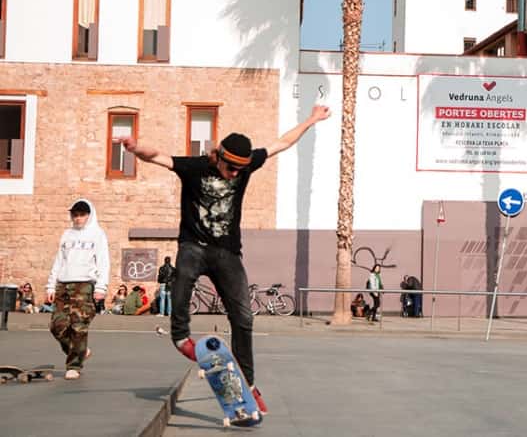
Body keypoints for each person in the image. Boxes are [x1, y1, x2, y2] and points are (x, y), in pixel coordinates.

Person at [119, 104, 330, 415]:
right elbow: (158, 156)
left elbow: (281, 143)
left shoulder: (245, 165)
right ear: (218, 156)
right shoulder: (194, 167)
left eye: (239, 171)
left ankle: (249, 384)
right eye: (230, 168)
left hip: (227, 252)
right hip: (194, 244)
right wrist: (136, 148)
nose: (235, 175)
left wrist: (311, 120)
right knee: (184, 275)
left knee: (244, 317)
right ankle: (181, 338)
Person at [45, 199, 109, 380]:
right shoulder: (67, 234)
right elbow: (59, 261)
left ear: (89, 215)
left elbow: (103, 262)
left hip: (84, 284)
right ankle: (81, 351)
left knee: (79, 327)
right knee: (56, 326)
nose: (78, 218)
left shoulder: (97, 234)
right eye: (75, 215)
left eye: (82, 215)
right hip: (63, 284)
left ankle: (74, 365)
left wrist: (101, 287)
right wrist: (51, 285)